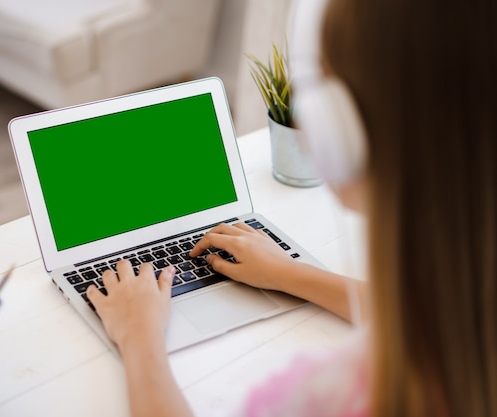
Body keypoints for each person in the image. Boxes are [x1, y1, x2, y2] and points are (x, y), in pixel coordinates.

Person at [86, 0, 497, 415]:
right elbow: (429, 324)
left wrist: (139, 341)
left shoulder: (327, 397)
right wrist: (288, 272)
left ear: (340, 133)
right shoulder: (467, 315)